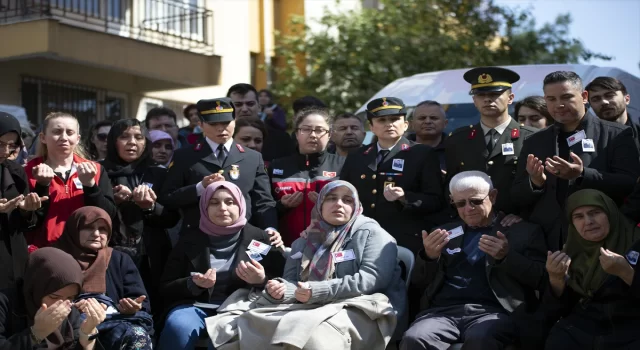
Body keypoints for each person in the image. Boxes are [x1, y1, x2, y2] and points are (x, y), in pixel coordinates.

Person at [206, 180, 405, 349]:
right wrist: (283, 290)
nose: (339, 204)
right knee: (248, 323)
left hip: (362, 305)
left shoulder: (372, 233)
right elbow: (292, 281)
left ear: (356, 206)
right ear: (319, 205)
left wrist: (316, 291)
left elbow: (371, 280)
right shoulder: (305, 240)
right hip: (312, 303)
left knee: (313, 335)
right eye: (331, 198)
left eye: (347, 200)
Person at [401, 171, 547, 350]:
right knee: (414, 338)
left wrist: (506, 257)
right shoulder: (443, 233)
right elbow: (419, 283)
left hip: (493, 312)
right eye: (460, 203)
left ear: (492, 197)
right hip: (442, 312)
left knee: (481, 339)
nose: (468, 208)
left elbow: (541, 279)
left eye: (476, 201)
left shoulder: (522, 232)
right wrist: (429, 257)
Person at [512, 71, 640, 251]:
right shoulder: (534, 141)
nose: (559, 105)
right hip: (548, 243)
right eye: (551, 99)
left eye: (566, 97)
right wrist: (535, 183)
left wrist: (582, 175)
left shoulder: (616, 134)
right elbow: (517, 196)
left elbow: (630, 184)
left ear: (584, 96)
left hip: (602, 243)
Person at [158, 181, 285, 350]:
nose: (223, 208)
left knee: (225, 337)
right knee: (178, 327)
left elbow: (284, 280)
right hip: (196, 306)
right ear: (204, 207)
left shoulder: (261, 238)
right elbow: (165, 287)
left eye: (230, 202)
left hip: (244, 307)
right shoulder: (189, 240)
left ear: (240, 204)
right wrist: (193, 284)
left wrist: (261, 280)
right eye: (214, 202)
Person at [529, 189, 640, 349]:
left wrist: (626, 273)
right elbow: (554, 312)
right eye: (579, 216)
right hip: (585, 329)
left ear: (610, 213)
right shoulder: (572, 251)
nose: (588, 221)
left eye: (595, 212)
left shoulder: (635, 242)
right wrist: (556, 280)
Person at [339, 97, 444, 252]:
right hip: (362, 237)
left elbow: (436, 201)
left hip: (403, 238)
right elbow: (345, 195)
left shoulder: (422, 154)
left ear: (406, 124)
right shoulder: (357, 156)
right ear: (372, 127)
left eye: (395, 119)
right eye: (382, 120)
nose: (389, 124)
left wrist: (405, 197)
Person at [160, 97, 279, 232]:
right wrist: (199, 188)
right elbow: (168, 198)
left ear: (234, 122)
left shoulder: (253, 157)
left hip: (242, 237)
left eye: (226, 122)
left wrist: (270, 228)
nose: (221, 128)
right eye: (213, 124)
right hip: (199, 239)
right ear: (201, 125)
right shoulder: (184, 156)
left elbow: (263, 202)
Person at [102, 119, 178, 308]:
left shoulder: (159, 173)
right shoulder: (99, 171)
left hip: (150, 257)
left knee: (153, 305)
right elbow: (88, 212)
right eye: (124, 137)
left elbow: (171, 217)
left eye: (138, 137)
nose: (132, 142)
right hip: (109, 254)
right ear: (113, 142)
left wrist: (149, 206)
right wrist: (112, 202)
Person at [54, 207, 153, 350]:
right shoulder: (56, 258)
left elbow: (141, 301)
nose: (96, 234)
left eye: (102, 229)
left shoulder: (119, 259)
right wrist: (74, 306)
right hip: (69, 322)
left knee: (137, 336)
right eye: (88, 228)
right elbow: (43, 298)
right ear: (74, 229)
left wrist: (129, 307)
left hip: (114, 321)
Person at [445, 66, 538, 215]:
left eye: (495, 94)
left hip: (517, 222)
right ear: (474, 100)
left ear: (510, 98)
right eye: (481, 95)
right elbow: (451, 187)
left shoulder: (532, 137)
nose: (487, 99)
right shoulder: (458, 139)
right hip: (471, 222)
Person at [24, 112, 116, 248]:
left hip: (85, 252)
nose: (64, 137)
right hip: (44, 252)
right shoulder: (27, 171)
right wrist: (42, 186)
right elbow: (27, 222)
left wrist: (90, 186)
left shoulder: (95, 170)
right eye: (57, 132)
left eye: (70, 132)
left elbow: (108, 215)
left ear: (77, 138)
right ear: (43, 137)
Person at [0, 247, 106, 350]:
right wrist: (36, 333)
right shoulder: (6, 304)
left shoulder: (69, 310)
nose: (62, 304)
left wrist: (87, 334)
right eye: (54, 296)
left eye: (70, 297)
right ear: (36, 288)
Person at [268, 108, 345, 245]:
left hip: (330, 247)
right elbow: (264, 208)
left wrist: (327, 204)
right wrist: (282, 205)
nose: (313, 135)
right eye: (306, 129)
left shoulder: (343, 165)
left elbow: (355, 208)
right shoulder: (276, 166)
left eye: (320, 130)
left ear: (330, 134)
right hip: (284, 247)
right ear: (297, 133)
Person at [0, 112, 48, 290]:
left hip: (15, 265)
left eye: (11, 146)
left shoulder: (15, 171)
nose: (5, 152)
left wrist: (27, 210)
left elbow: (29, 224)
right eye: (0, 144)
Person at [227, 84, 295, 162]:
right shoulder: (219, 138)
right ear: (228, 108)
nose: (244, 109)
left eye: (250, 104)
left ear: (259, 107)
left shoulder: (281, 139)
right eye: (238, 105)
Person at [586, 77, 640, 156]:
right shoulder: (587, 139)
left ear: (627, 99)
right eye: (596, 99)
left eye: (609, 95)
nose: (604, 102)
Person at [408, 100, 449, 172]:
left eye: (434, 118)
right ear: (412, 124)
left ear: (445, 123)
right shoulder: (399, 150)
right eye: (422, 118)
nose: (427, 121)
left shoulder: (455, 150)